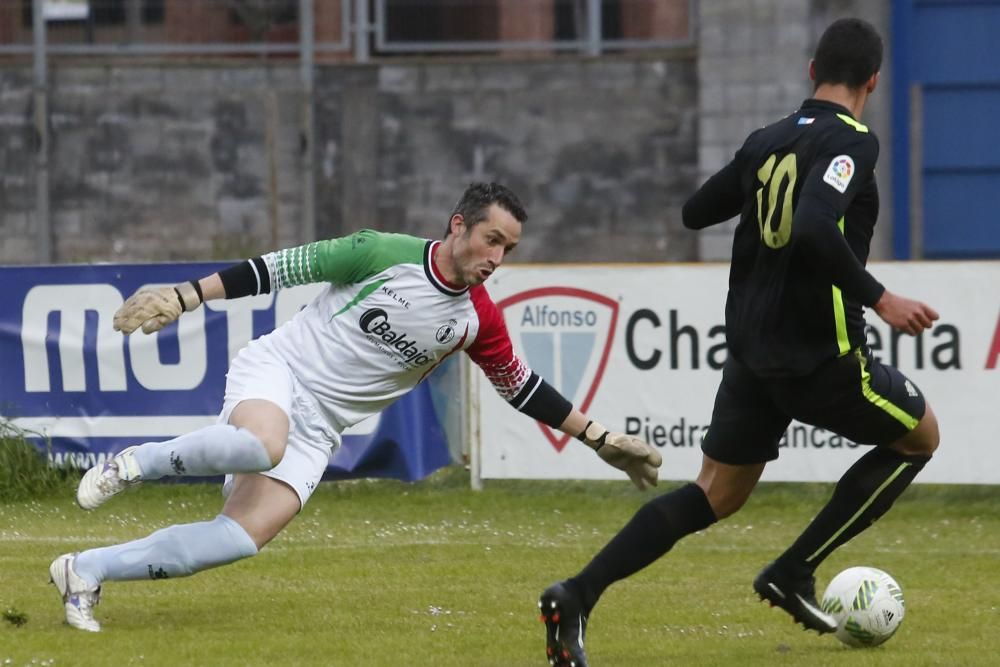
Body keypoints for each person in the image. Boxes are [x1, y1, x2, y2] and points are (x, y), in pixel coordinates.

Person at [49, 182, 663, 633]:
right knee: (262, 443)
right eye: (491, 240)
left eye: (509, 248)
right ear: (458, 226)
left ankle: (85, 570)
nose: (497, 258)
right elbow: (279, 269)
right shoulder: (382, 252)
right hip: (279, 374)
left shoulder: (478, 319)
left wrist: (599, 438)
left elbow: (519, 385)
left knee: (236, 539)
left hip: (322, 430)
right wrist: (186, 296)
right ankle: (133, 463)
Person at [538, 18, 940, 667]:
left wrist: (757, 174)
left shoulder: (766, 140)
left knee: (715, 493)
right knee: (920, 438)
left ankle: (577, 593)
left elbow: (696, 211)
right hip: (820, 352)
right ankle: (795, 567)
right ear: (873, 80)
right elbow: (811, 224)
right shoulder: (854, 141)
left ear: (812, 71)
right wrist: (882, 299)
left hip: (752, 350)